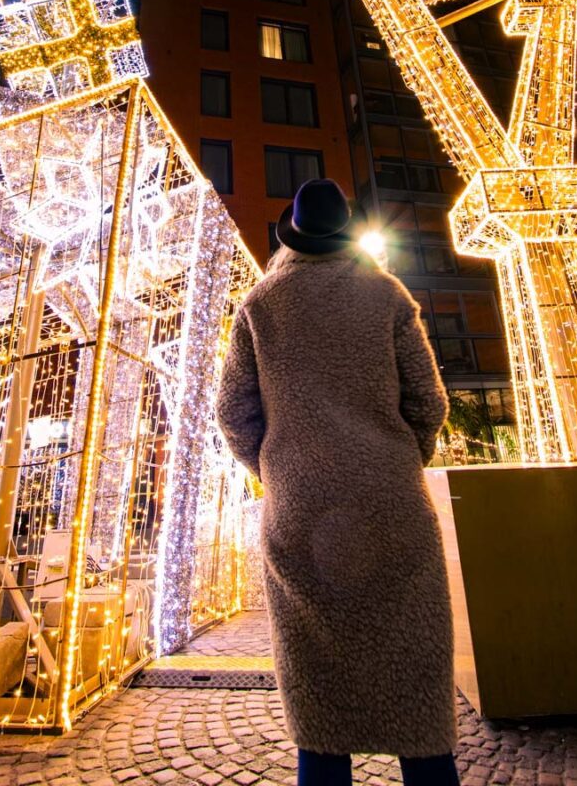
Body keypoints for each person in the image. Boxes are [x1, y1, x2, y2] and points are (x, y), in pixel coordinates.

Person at [217, 179, 460, 786]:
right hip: (393, 509)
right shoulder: (387, 295)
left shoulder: (260, 305)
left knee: (318, 700)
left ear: (291, 232)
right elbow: (429, 402)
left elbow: (233, 413)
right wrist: (397, 459)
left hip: (299, 513)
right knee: (418, 696)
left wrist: (278, 468)